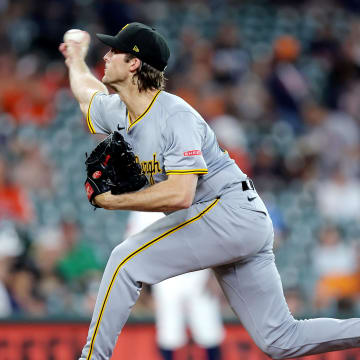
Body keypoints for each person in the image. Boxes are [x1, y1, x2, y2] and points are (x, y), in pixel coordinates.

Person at [59, 22, 360, 360]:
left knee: (123, 261)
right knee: (280, 340)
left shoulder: (175, 115)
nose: (106, 55)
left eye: (114, 50)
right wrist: (75, 60)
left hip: (229, 211)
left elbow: (180, 195)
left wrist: (114, 202)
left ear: (133, 64)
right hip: (228, 220)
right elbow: (87, 95)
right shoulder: (118, 111)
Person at [125, 211, 224, 360]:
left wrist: (216, 274)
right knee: (169, 333)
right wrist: (142, 291)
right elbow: (132, 247)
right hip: (165, 277)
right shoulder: (144, 206)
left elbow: (216, 237)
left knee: (209, 332)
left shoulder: (197, 193)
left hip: (199, 274)